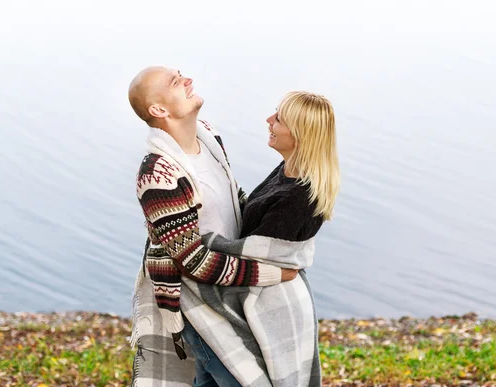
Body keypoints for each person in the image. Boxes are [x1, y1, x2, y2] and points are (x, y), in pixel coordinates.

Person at [127, 66, 298, 387]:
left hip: (230, 293)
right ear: (158, 110)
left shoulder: (208, 136)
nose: (188, 80)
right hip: (198, 303)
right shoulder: (158, 174)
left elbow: (235, 199)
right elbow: (194, 262)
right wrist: (276, 273)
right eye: (176, 83)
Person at [184, 91, 340, 387]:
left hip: (266, 304)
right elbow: (250, 213)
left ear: (300, 132)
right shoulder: (288, 171)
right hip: (255, 294)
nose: (269, 121)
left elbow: (256, 257)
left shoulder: (298, 196)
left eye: (278, 118)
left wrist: (198, 243)